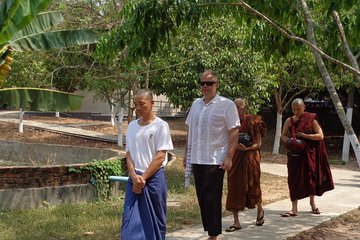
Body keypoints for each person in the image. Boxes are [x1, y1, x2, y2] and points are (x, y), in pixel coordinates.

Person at [183, 69, 240, 240]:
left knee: (212, 197)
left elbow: (234, 131)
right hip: (198, 158)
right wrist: (187, 153)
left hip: (215, 159)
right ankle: (210, 231)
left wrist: (229, 156)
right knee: (202, 197)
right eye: (203, 83)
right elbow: (190, 130)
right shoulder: (196, 104)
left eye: (209, 83)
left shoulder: (226, 104)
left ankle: (213, 235)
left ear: (217, 84)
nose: (205, 86)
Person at [121, 89, 174, 240]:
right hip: (135, 180)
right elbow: (129, 153)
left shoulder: (161, 126)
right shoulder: (132, 126)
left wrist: (143, 178)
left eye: (142, 104)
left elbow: (160, 156)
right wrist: (133, 175)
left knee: (155, 221)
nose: (138, 108)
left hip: (153, 180)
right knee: (130, 221)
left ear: (152, 104)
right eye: (135, 105)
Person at [280, 98, 334, 217]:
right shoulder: (289, 121)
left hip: (309, 154)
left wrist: (304, 135)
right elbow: (283, 135)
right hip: (295, 155)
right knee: (293, 181)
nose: (296, 112)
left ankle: (312, 203)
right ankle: (294, 209)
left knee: (311, 180)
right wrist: (290, 141)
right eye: (294, 109)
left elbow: (320, 136)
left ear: (304, 107)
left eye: (298, 109)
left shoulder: (311, 119)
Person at [225, 98, 266, 231]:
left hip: (250, 157)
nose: (236, 109)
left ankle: (260, 209)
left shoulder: (254, 121)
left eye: (238, 107)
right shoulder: (230, 123)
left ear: (244, 107)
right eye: (234, 107)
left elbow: (258, 144)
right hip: (235, 157)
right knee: (234, 187)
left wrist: (246, 148)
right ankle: (236, 222)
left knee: (253, 185)